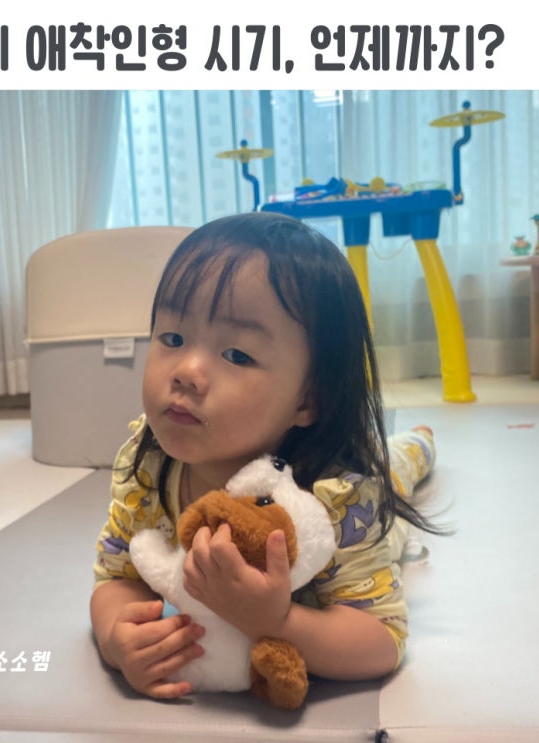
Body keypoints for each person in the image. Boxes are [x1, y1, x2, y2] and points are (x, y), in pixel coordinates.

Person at [90, 212, 442, 701]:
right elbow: (116, 576)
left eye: (236, 354)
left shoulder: (342, 497)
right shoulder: (146, 468)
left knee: (395, 470)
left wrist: (276, 621)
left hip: (368, 492)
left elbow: (381, 640)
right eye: (172, 338)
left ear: (308, 399)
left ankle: (420, 442)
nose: (186, 370)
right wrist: (116, 636)